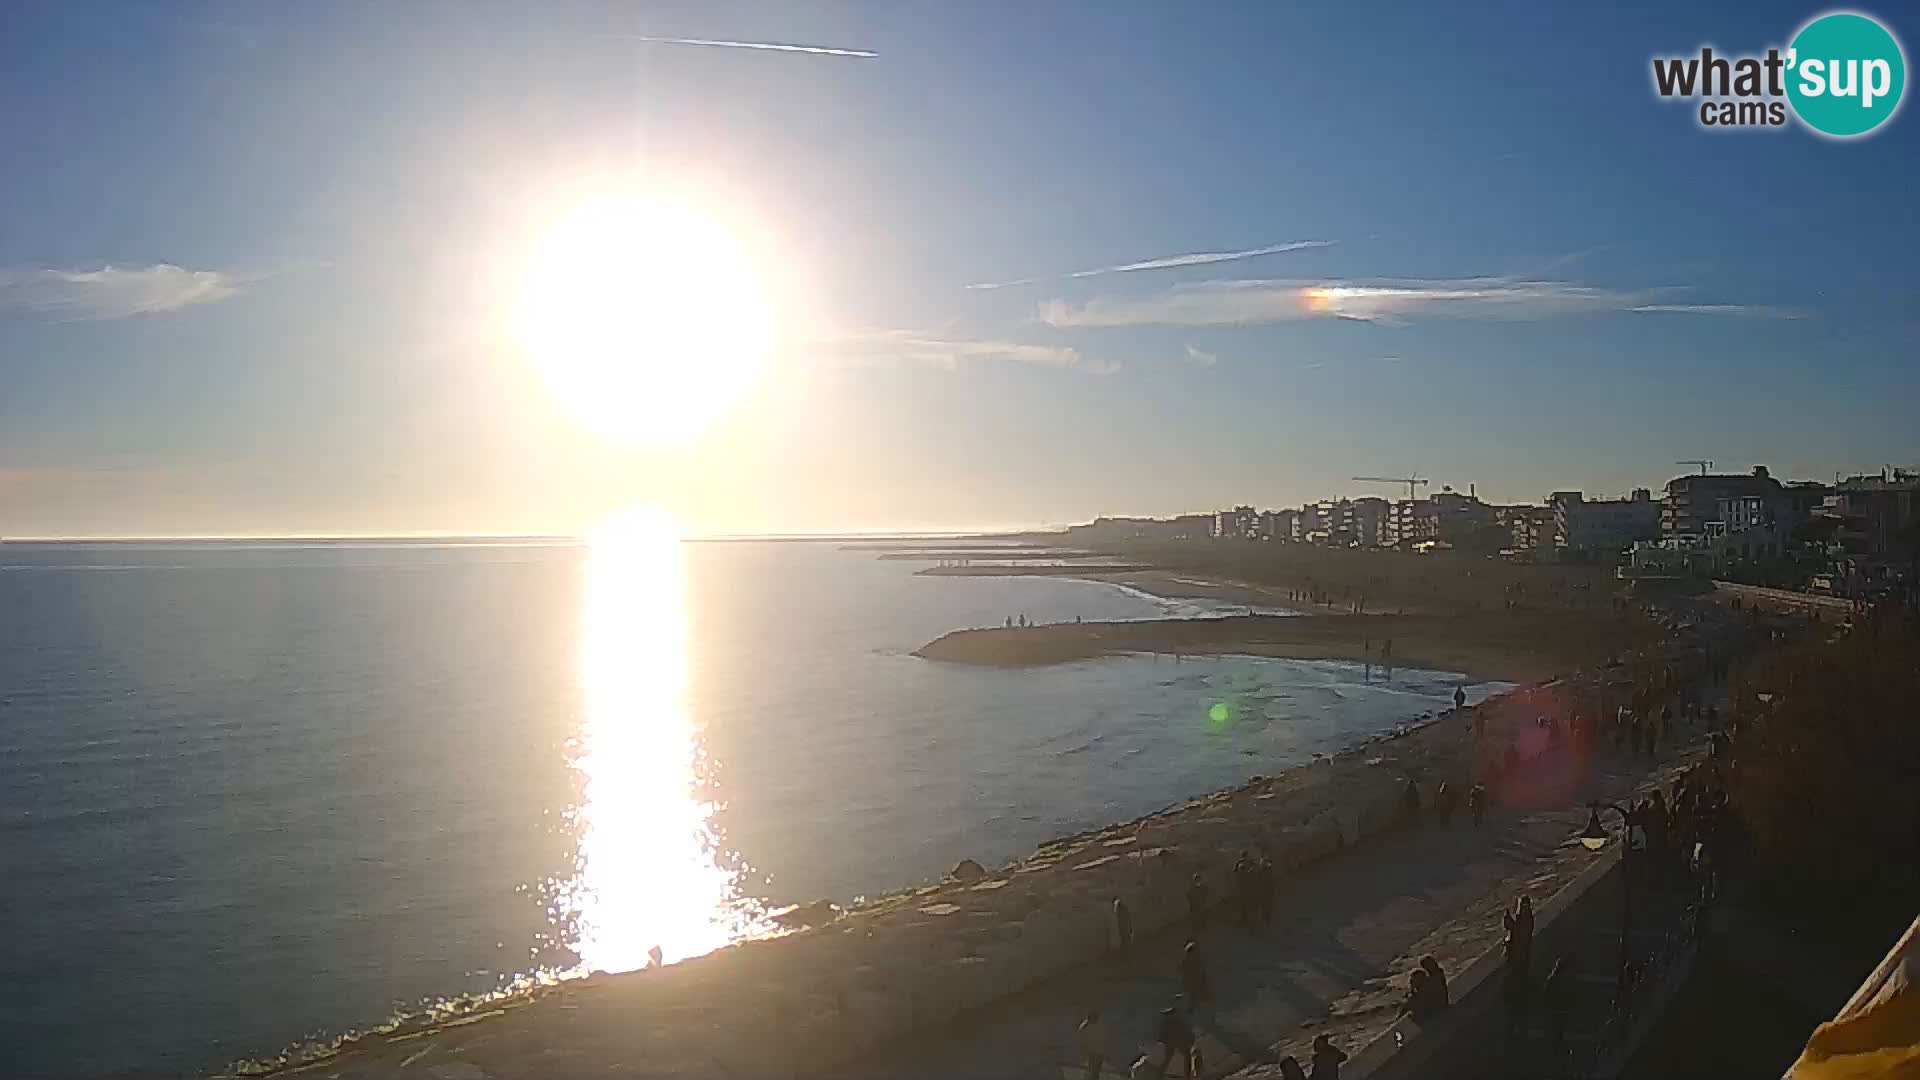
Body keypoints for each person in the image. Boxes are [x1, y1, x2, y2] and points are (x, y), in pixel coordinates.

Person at [1543, 957, 1572, 1061]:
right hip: (1560, 1009)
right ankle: (1556, 1050)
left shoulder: (1552, 979)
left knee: (1555, 1030)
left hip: (1555, 1009)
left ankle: (1554, 1050)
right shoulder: (1565, 980)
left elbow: (1546, 992)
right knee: (1558, 1030)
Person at [1156, 1004, 1195, 1077]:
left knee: (1170, 1058)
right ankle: (1189, 1074)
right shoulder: (1175, 1020)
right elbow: (1186, 1030)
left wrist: (1161, 1040)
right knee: (1186, 1055)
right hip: (1177, 1041)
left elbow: (1161, 1034)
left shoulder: (1167, 1022)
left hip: (1174, 1042)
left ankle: (1159, 1074)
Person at [1179, 941, 1210, 1010]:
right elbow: (1183, 969)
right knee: (1193, 993)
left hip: (1194, 979)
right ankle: (1193, 1006)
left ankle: (1194, 1006)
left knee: (1194, 993)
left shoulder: (1193, 958)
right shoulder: (1188, 959)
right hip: (1192, 980)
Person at [1077, 1009, 1107, 1080]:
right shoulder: (1096, 1026)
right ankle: (1093, 1076)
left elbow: (1081, 1032)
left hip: (1096, 1052)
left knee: (1094, 1070)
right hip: (1094, 1052)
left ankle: (1093, 1076)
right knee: (1093, 1070)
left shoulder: (1097, 1027)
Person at [1232, 851, 1256, 927]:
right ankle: (1248, 918)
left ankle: (1245, 918)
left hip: (1243, 886)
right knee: (1247, 903)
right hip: (1248, 885)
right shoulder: (1250, 861)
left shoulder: (1239, 862)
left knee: (1244, 903)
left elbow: (1234, 871)